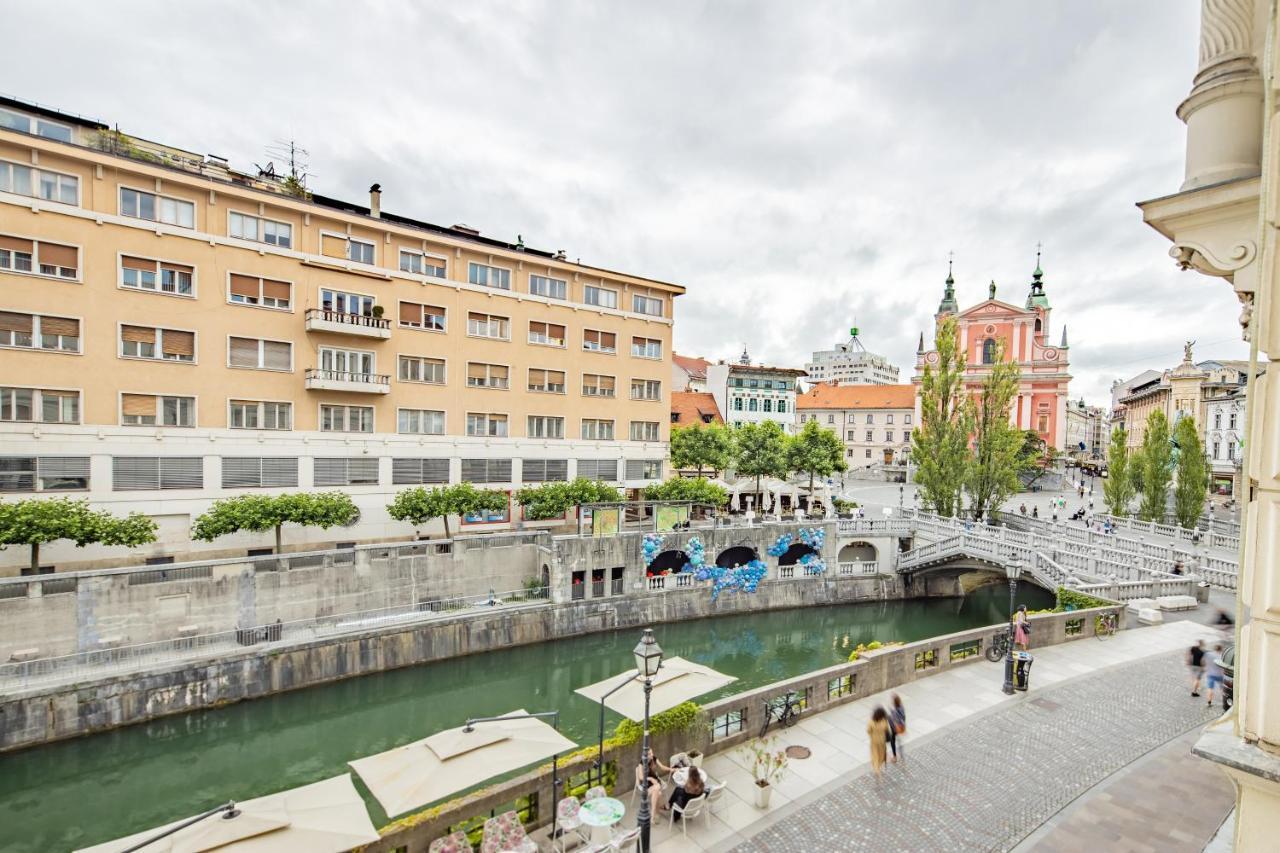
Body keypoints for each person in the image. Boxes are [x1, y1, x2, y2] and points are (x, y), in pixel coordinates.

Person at [637, 748, 671, 816]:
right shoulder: (641, 764)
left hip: (656, 781)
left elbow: (662, 767)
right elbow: (640, 777)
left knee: (658, 792)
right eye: (649, 754)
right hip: (647, 783)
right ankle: (657, 810)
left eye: (652, 752)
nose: (652, 755)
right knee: (659, 793)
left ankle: (655, 812)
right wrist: (650, 779)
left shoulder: (654, 758)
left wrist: (672, 769)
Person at [867, 706, 891, 776]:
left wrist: (872, 735)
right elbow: (886, 729)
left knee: (874, 754)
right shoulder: (884, 721)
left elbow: (868, 731)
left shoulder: (871, 722)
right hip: (882, 740)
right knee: (881, 754)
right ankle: (878, 766)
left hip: (874, 741)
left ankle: (876, 768)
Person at [887, 694, 907, 762]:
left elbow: (895, 719)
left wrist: (890, 713)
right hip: (902, 726)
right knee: (899, 741)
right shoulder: (902, 706)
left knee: (893, 740)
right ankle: (901, 755)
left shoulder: (895, 710)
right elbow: (903, 717)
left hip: (895, 728)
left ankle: (894, 757)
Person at [1205, 644, 1225, 708]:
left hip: (1211, 674)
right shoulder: (1222, 656)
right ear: (1221, 649)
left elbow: (1203, 660)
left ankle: (1209, 701)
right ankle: (1224, 701)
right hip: (1220, 675)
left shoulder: (1209, 654)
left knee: (1210, 688)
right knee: (1222, 689)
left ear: (1214, 649)